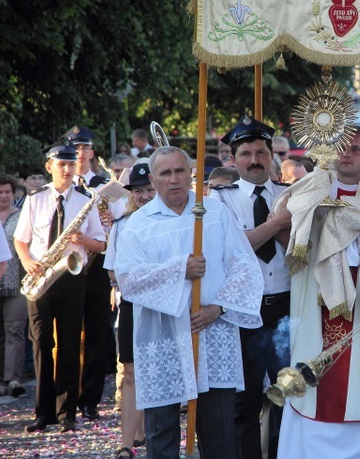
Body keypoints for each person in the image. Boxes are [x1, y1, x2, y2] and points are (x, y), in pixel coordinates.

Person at [113, 146, 264, 457]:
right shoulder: (138, 224)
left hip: (212, 332)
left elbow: (244, 265)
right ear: (153, 180)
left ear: (191, 174)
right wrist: (180, 269)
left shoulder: (215, 212)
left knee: (219, 428)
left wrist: (218, 307)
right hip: (163, 337)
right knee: (161, 430)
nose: (174, 179)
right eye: (166, 173)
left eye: (180, 171)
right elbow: (128, 280)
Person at [277, 127, 360, 459]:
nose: (346, 155)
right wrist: (316, 221)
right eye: (340, 148)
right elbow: (287, 228)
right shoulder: (307, 189)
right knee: (314, 379)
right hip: (316, 301)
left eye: (354, 149)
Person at [212, 116, 293, 459]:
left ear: (272, 156)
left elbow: (301, 246)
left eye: (262, 151)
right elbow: (235, 248)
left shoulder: (291, 195)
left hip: (287, 306)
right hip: (244, 310)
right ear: (233, 159)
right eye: (246, 153)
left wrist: (280, 228)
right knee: (242, 401)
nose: (255, 159)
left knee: (286, 396)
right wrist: (276, 223)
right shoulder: (220, 200)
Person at [14, 140, 106, 432]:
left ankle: (67, 413)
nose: (67, 169)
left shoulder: (85, 198)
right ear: (49, 167)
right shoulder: (35, 198)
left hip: (72, 276)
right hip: (41, 276)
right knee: (42, 342)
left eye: (70, 163)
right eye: (61, 164)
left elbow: (101, 243)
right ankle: (43, 412)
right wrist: (28, 261)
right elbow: (21, 239)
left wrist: (83, 241)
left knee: (69, 343)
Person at [104, 163, 155, 458]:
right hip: (134, 303)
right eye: (139, 191)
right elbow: (111, 271)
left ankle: (157, 431)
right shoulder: (121, 225)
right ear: (132, 194)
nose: (145, 195)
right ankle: (127, 443)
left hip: (166, 304)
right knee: (132, 373)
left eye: (148, 189)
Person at [68, 127, 116, 422]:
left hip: (97, 263)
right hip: (69, 264)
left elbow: (121, 221)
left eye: (85, 147)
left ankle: (90, 400)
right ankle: (66, 399)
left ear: (92, 152)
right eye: (75, 148)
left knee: (98, 334)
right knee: (68, 337)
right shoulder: (59, 186)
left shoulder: (104, 185)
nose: (80, 153)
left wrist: (111, 219)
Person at [0, 174, 27, 398]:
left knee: (14, 330)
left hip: (16, 282)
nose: (4, 196)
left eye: (7, 192)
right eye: (0, 192)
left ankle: (14, 378)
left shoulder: (22, 217)